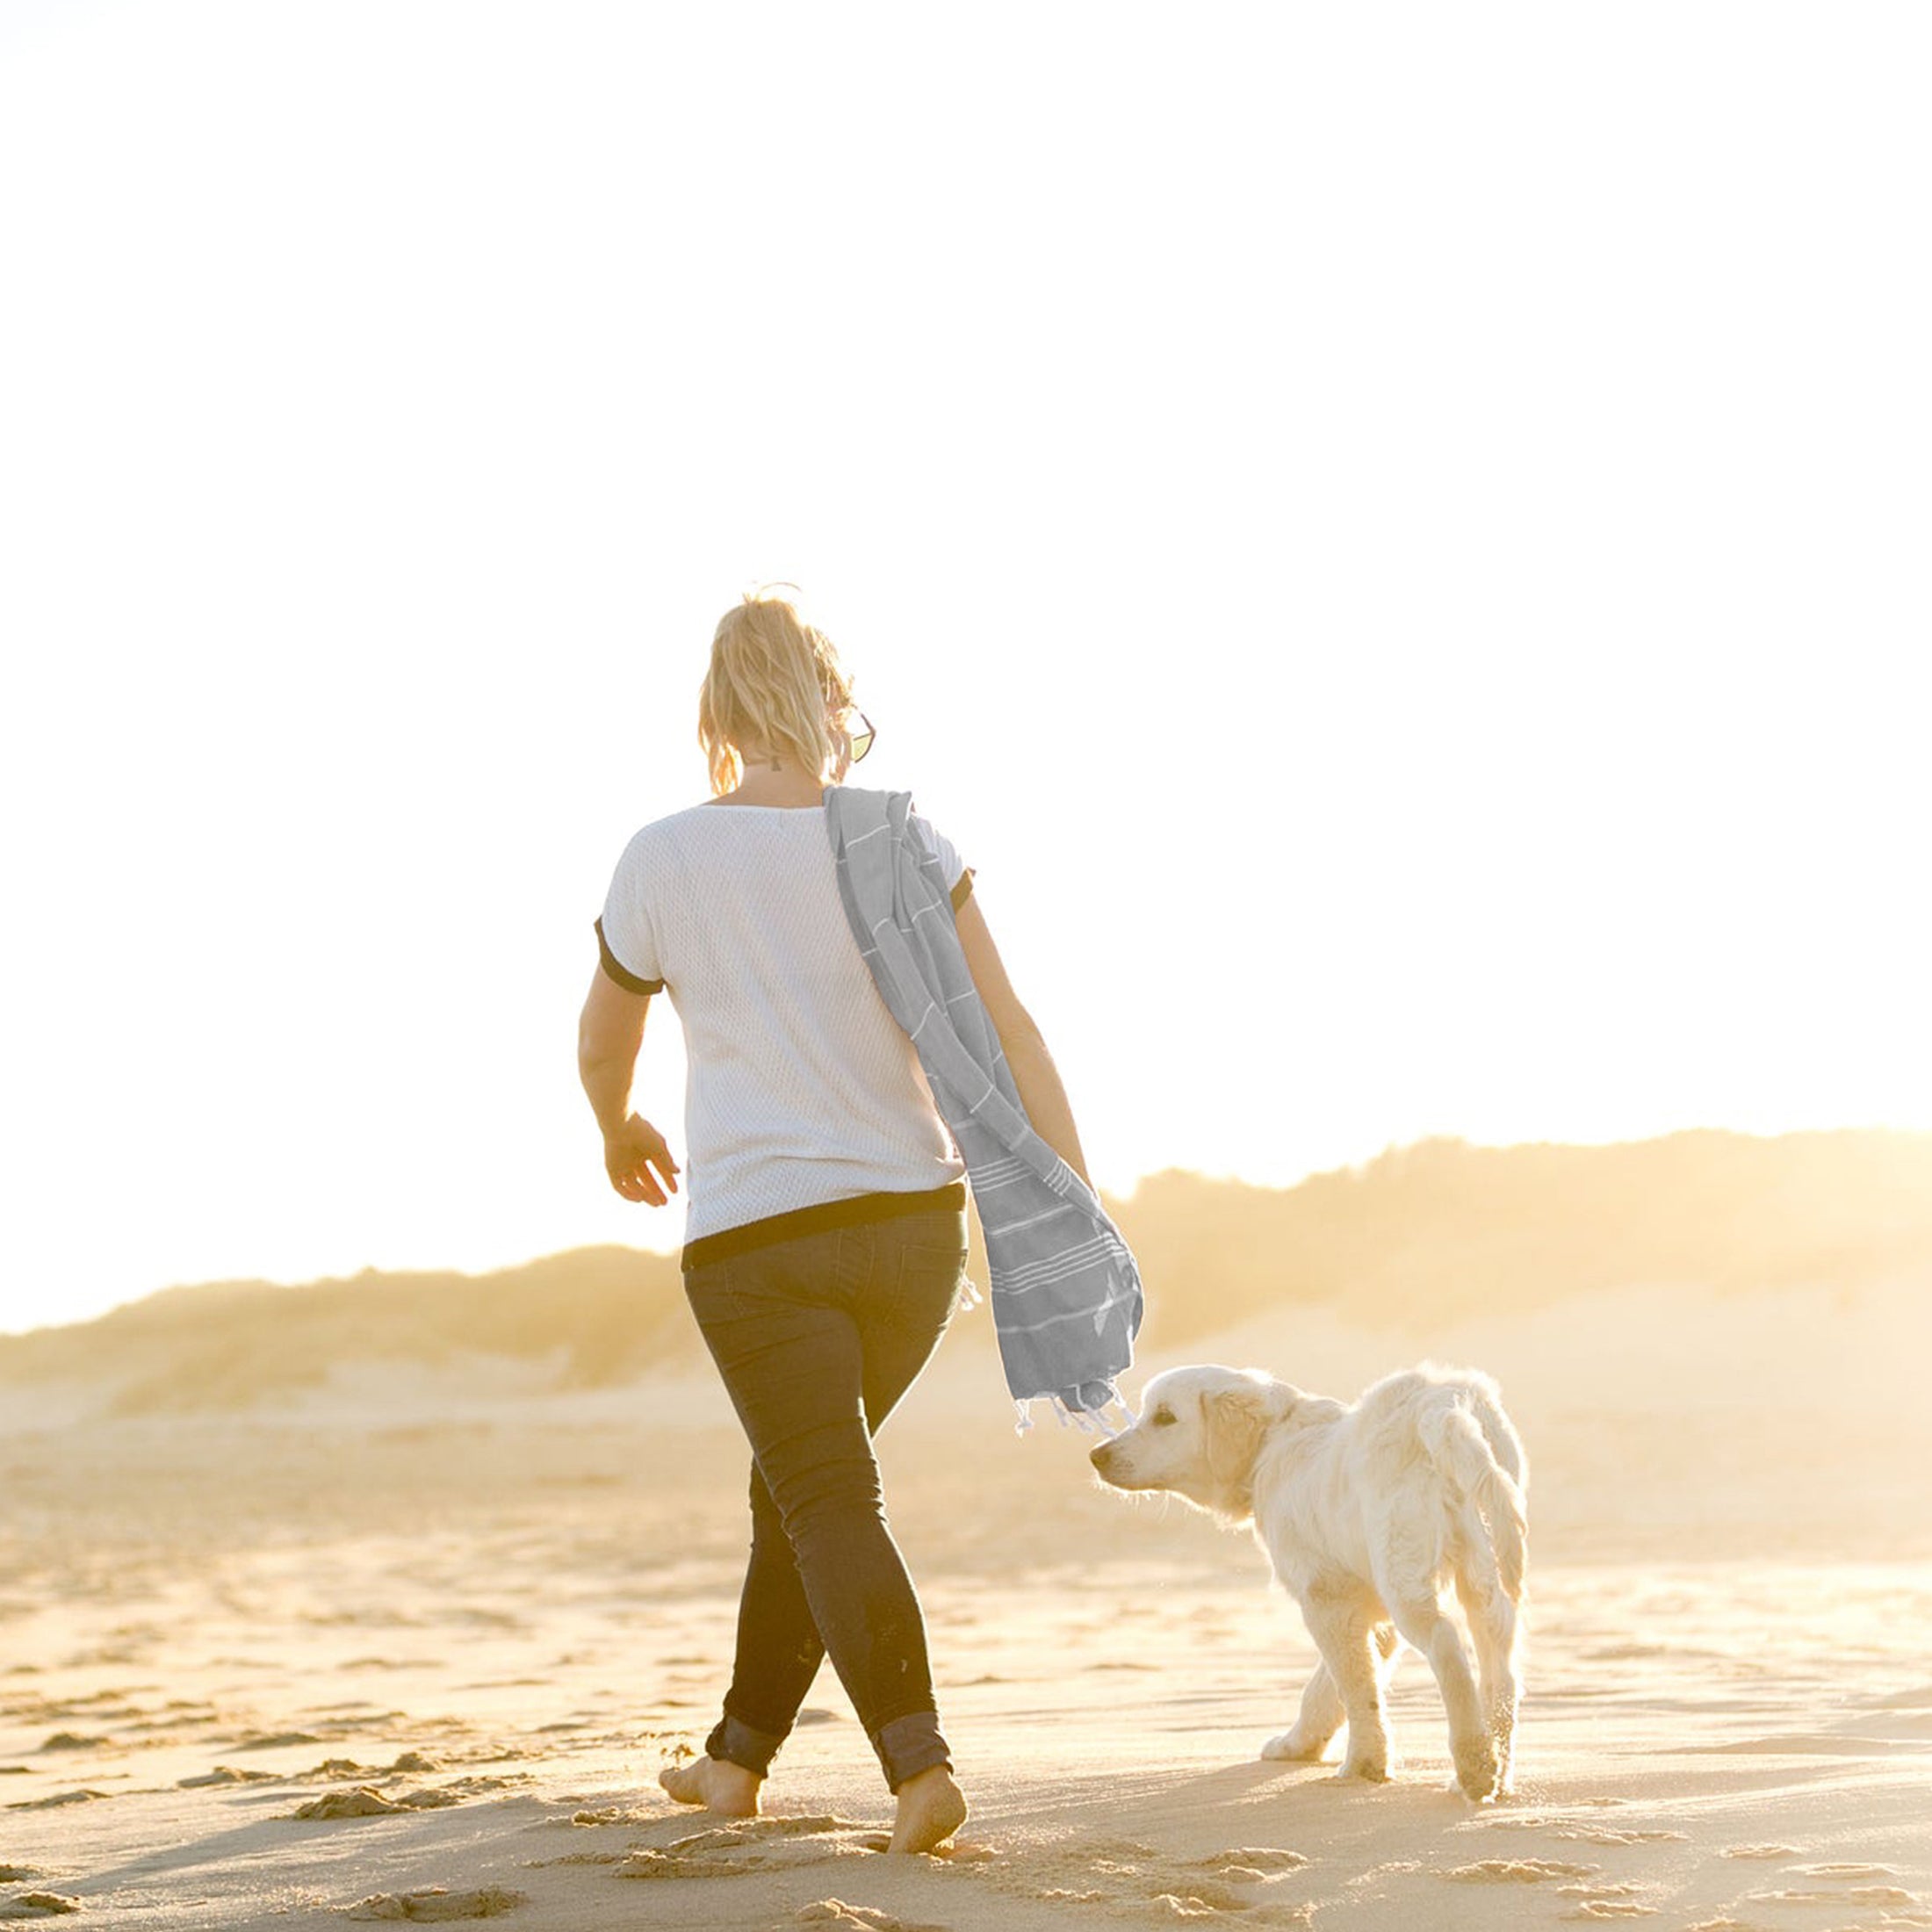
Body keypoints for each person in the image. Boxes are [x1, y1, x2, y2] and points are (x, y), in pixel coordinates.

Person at [576, 588, 1095, 1855]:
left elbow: (604, 1035)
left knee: (823, 1497)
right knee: (801, 1492)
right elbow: (1013, 1025)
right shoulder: (901, 837)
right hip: (912, 1234)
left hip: (757, 1240)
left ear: (712, 715)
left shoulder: (663, 855)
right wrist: (1071, 1191)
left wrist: (618, 1129)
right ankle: (734, 1760)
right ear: (831, 702)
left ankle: (918, 1768)